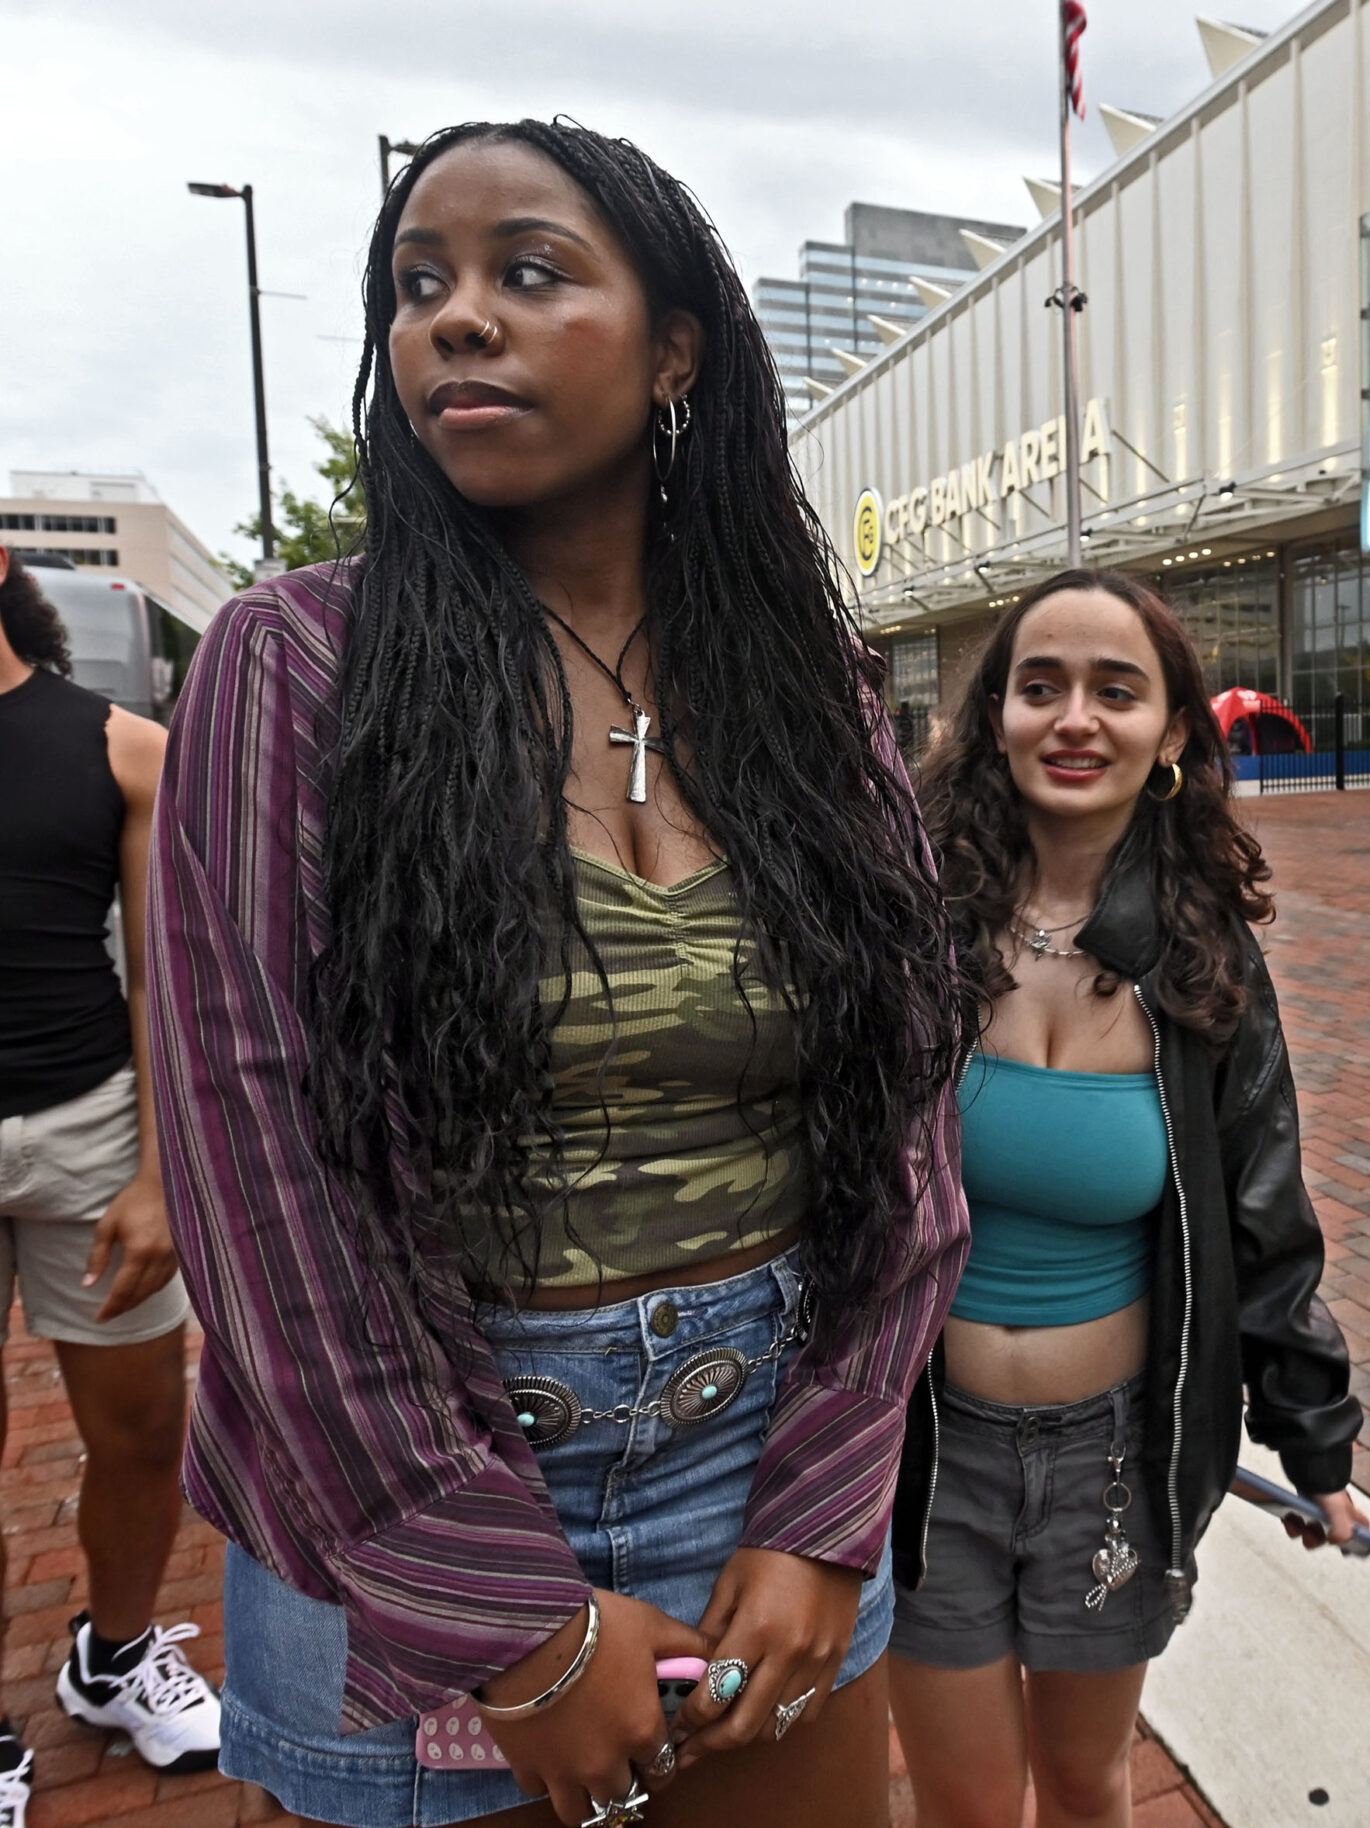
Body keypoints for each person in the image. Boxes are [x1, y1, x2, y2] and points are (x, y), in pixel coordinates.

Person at [147, 121, 971, 1828]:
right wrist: (511, 1620)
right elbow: (263, 1184)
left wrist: (824, 1504)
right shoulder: (295, 664)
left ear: (676, 346)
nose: (456, 317)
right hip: (410, 1475)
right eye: (417, 285)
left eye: (528, 270)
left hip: (764, 1443)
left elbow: (904, 1118)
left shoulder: (807, 689)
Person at [890, 570, 1365, 1828]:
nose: (1074, 719)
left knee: (1090, 1787)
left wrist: (1316, 1443)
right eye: (1039, 686)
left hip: (1115, 1459)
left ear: (1168, 735)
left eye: (1116, 690)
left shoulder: (1205, 957)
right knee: (968, 1807)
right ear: (995, 715)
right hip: (922, 1455)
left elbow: (1268, 1213)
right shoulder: (911, 930)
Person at [0, 547, 220, 1816]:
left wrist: (159, 1173)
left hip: (88, 1129)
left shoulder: (123, 747)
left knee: (141, 1433)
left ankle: (118, 1654)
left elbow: (170, 987)